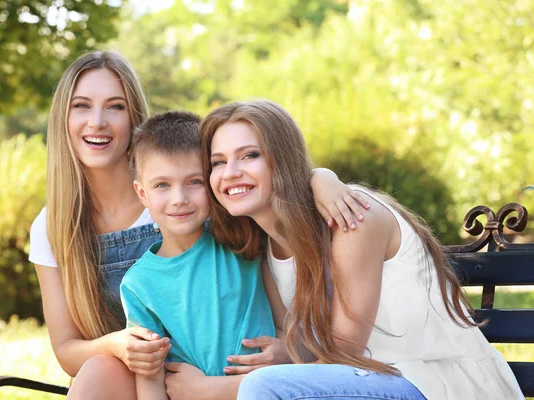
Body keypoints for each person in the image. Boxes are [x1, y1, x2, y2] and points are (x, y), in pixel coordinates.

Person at [28, 52, 368, 399]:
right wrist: (118, 344)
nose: (97, 121)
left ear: (133, 116)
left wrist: (320, 179)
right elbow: (67, 350)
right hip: (141, 379)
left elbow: (255, 180)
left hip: (234, 380)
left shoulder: (206, 208)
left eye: (115, 106)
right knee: (102, 365)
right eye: (81, 105)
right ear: (144, 192)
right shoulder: (54, 226)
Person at [169, 99, 522, 400]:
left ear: (283, 159)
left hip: (440, 385)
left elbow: (342, 353)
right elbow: (306, 351)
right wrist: (287, 354)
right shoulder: (269, 255)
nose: (230, 172)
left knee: (267, 387)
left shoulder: (355, 216)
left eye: (249, 155)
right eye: (218, 162)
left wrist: (209, 389)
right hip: (372, 383)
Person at [120, 110, 277, 400]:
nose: (179, 199)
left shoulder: (239, 232)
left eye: (194, 182)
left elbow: (291, 192)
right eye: (162, 185)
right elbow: (150, 375)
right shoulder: (138, 284)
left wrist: (324, 179)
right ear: (142, 194)